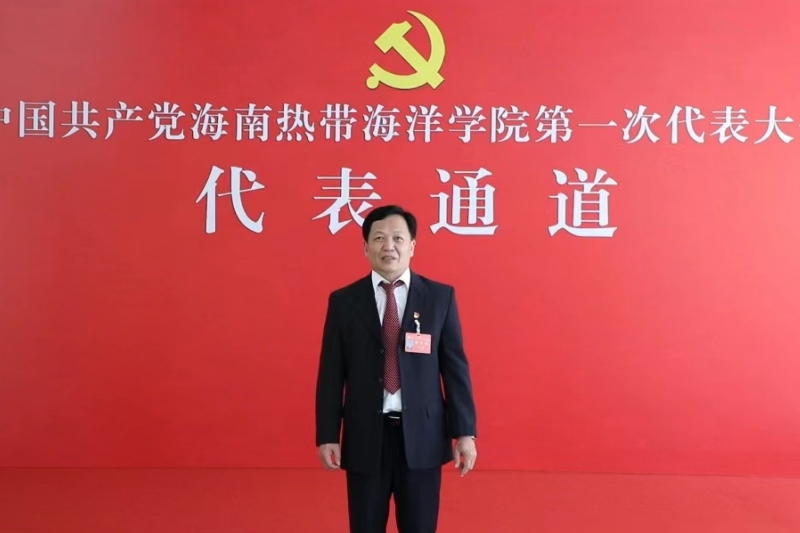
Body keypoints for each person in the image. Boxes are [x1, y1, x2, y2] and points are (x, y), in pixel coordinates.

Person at [315, 204, 478, 533]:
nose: (388, 246)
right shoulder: (344, 301)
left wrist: (464, 432)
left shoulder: (439, 298)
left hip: (422, 438)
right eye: (379, 238)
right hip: (365, 437)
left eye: (398, 238)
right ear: (365, 247)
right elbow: (331, 374)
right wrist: (328, 434)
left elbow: (455, 370)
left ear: (412, 246)